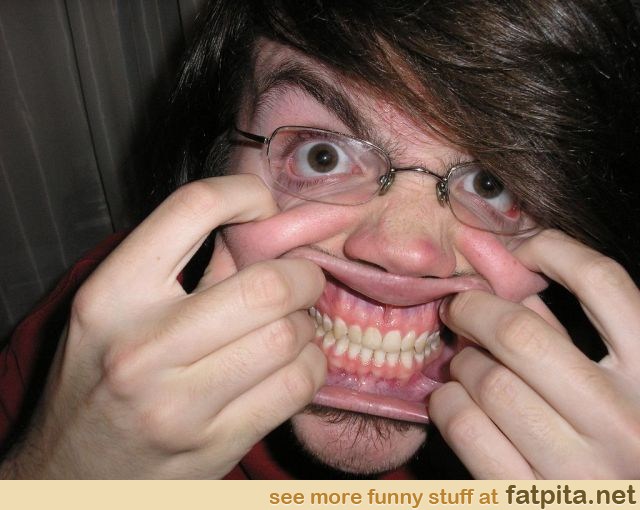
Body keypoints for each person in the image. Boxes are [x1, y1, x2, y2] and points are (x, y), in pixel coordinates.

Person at [1, 0, 639, 479]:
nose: (406, 250)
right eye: (322, 155)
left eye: (495, 184)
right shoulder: (97, 333)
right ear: (216, 163)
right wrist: (64, 473)